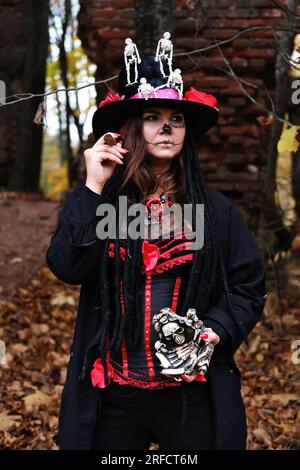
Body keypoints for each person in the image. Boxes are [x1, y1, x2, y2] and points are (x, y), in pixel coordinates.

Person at [46, 38, 267, 450]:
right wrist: (94, 185)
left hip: (191, 398)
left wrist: (217, 330)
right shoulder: (103, 204)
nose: (167, 128)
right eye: (153, 117)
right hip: (112, 398)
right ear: (132, 126)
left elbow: (248, 286)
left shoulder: (215, 212)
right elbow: (67, 266)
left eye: (176, 119)